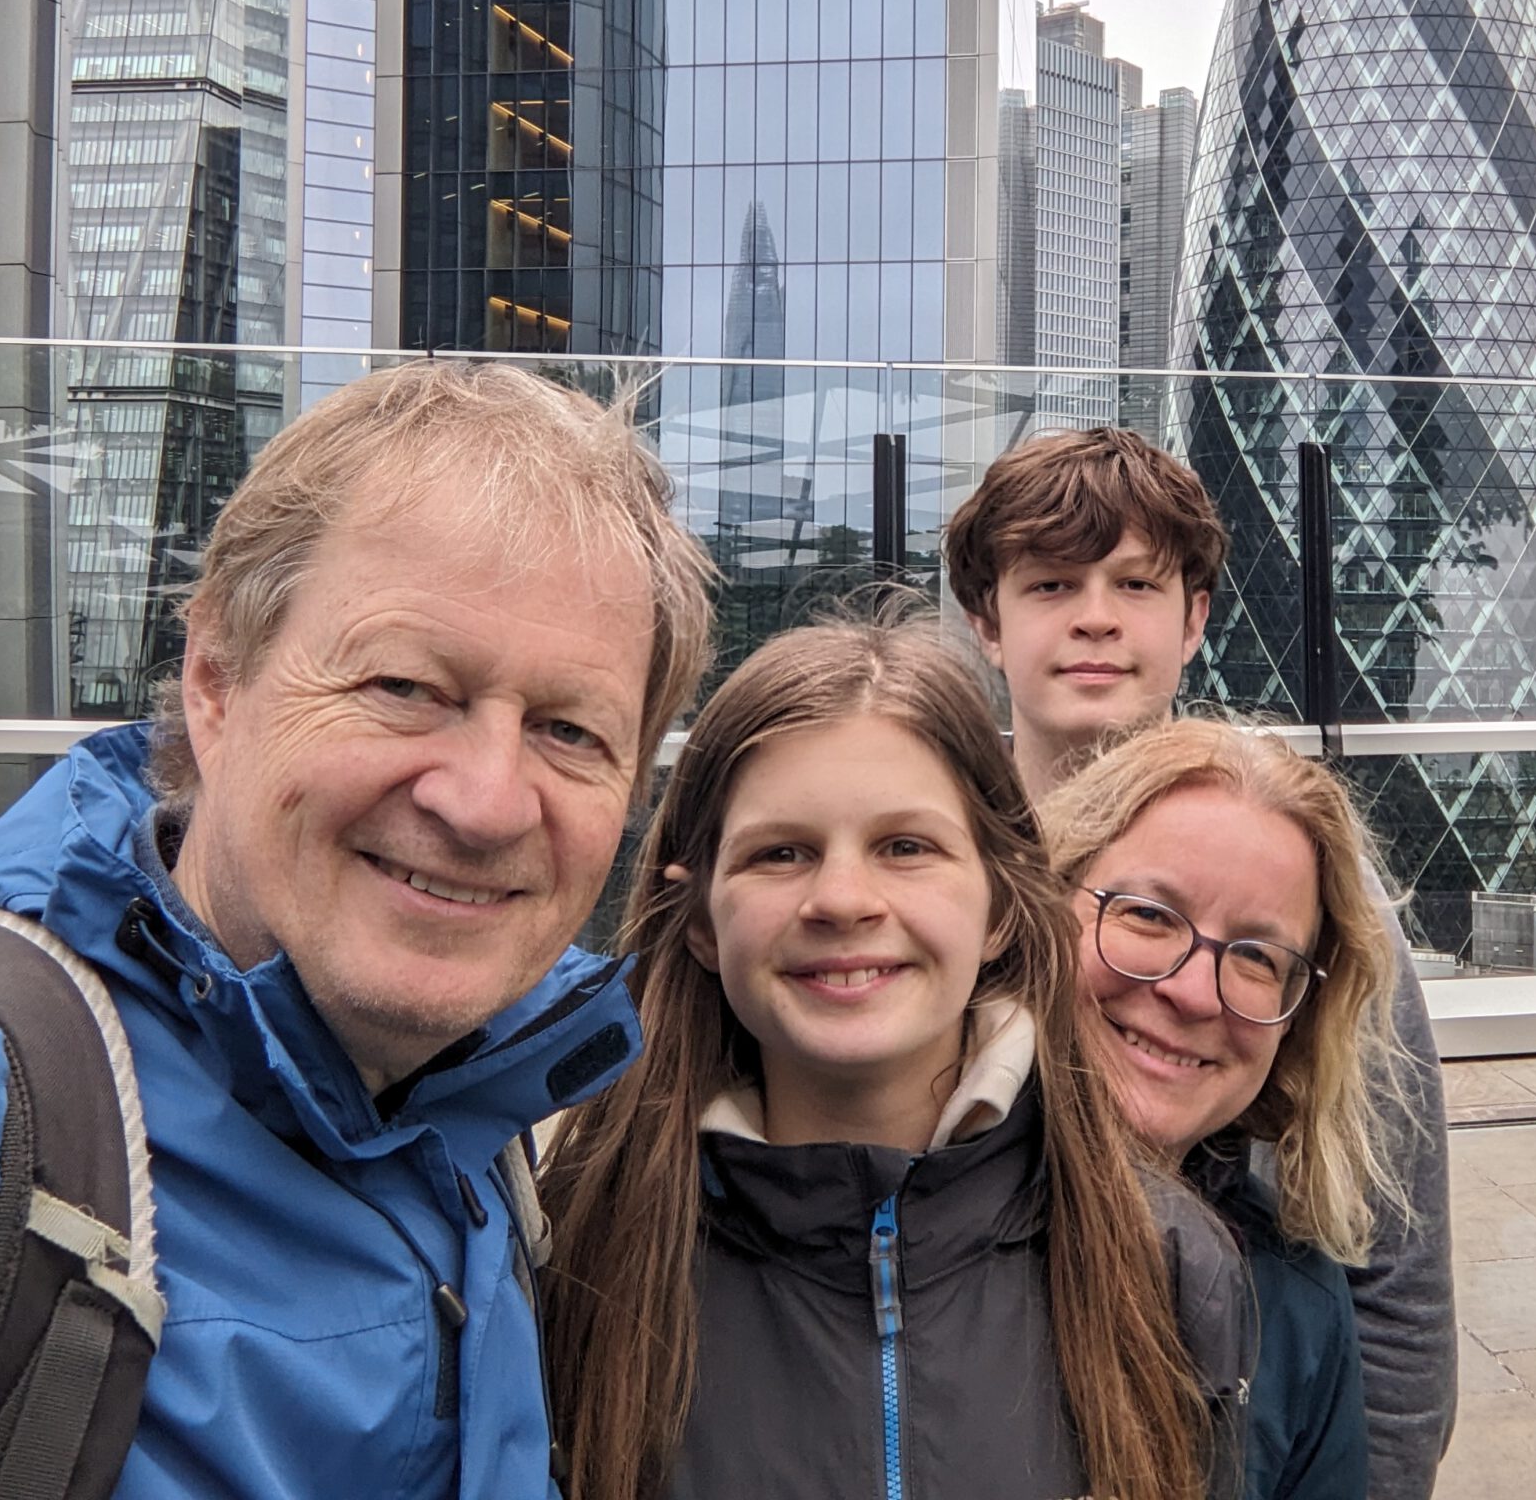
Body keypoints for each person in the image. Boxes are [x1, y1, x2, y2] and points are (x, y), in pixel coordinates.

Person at [0, 361, 715, 1498]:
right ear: (217, 682)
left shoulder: (489, 1130)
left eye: (569, 732)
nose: (486, 802)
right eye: (406, 688)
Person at [536, 615, 1248, 1500]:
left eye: (907, 847)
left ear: (1000, 906)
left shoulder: (1163, 1262)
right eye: (780, 853)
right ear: (702, 921)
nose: (842, 899)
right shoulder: (574, 1255)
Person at [943, 426, 1458, 1497]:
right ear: (987, 622)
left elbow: (1394, 1271)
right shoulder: (935, 871)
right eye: (1051, 583)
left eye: (1136, 584)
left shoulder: (1320, 894)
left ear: (1194, 621)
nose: (1095, 616)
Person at [1045, 720, 1407, 1500]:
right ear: (1046, 906)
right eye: (1147, 914)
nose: (1192, 992)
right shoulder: (908, 1229)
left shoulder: (1299, 1305)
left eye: (1255, 957)